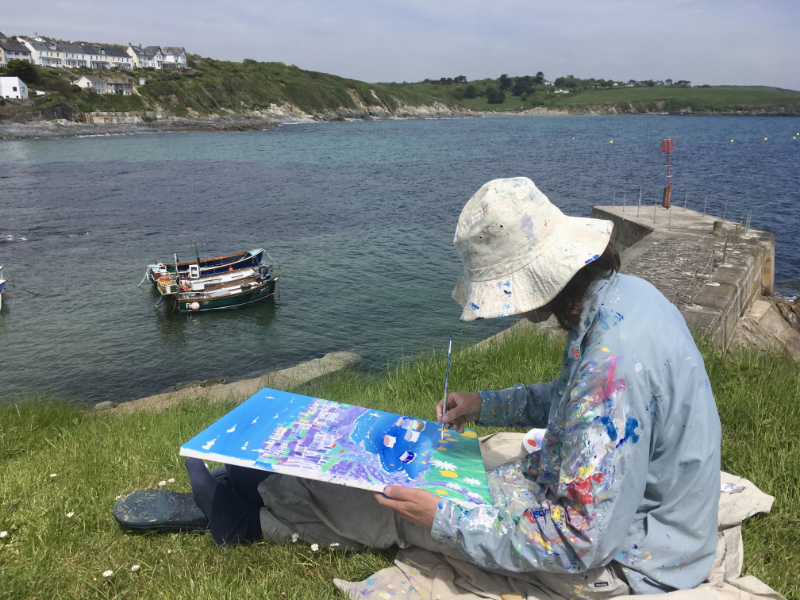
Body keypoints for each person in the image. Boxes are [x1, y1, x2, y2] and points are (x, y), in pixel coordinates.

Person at [131, 177, 720, 596]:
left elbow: (577, 543)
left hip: (632, 562)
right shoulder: (619, 301)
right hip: (648, 520)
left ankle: (244, 520)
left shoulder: (611, 366)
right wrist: (487, 404)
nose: (508, 313)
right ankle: (264, 485)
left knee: (400, 508)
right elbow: (569, 400)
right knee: (432, 471)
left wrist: (443, 520)